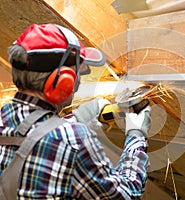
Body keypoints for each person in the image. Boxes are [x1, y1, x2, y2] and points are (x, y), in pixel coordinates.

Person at [0, 23, 151, 199]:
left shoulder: (4, 118)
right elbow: (126, 195)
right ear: (64, 79)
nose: (79, 80)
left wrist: (78, 117)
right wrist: (136, 135)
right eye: (78, 71)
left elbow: (31, 134)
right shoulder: (74, 139)